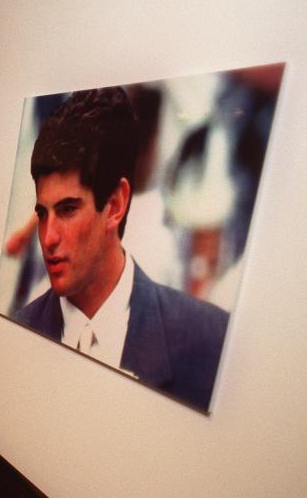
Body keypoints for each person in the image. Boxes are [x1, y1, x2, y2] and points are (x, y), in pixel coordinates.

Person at [14, 87, 228, 411]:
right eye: (42, 213)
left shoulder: (209, 339)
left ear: (115, 204)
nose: (48, 237)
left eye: (68, 209)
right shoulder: (19, 333)